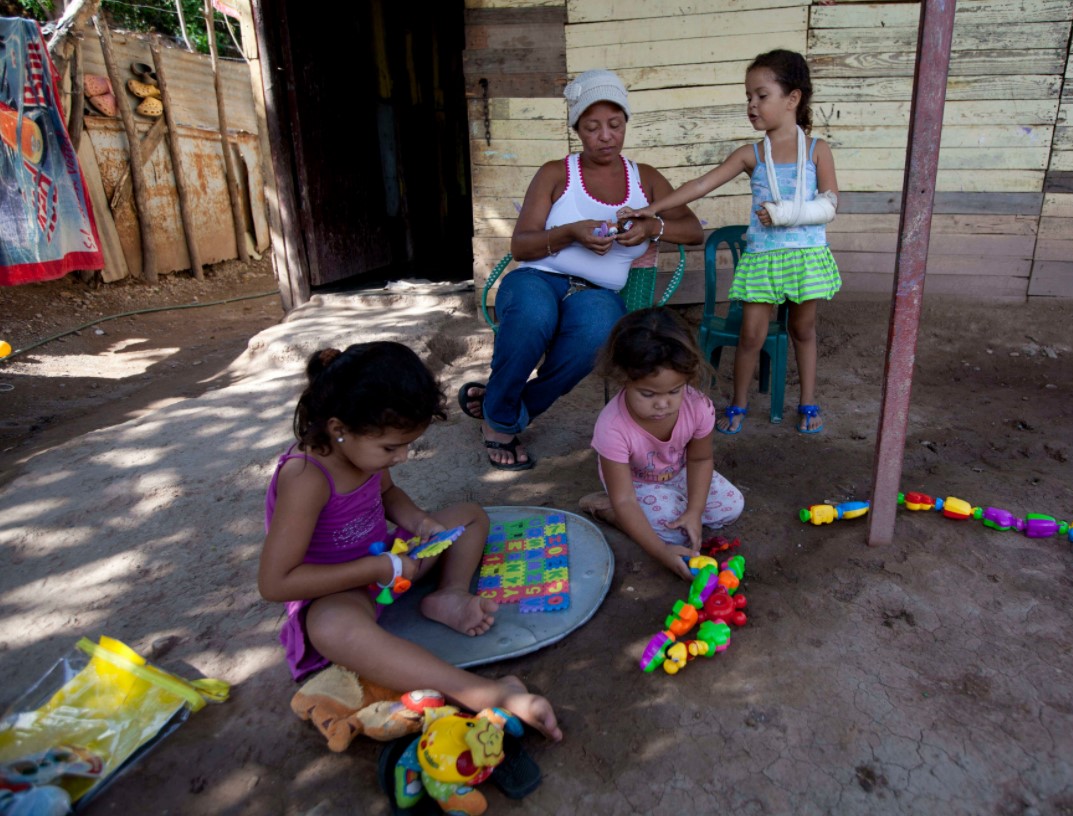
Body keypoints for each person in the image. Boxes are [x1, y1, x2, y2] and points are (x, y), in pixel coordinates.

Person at [258, 341, 562, 741]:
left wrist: (420, 523)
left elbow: (386, 495)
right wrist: (375, 569)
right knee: (333, 629)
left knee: (469, 516)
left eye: (406, 445)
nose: (401, 457)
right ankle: (482, 691)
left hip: (390, 562)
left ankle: (448, 595)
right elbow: (276, 583)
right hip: (338, 589)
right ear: (338, 429)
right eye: (390, 447)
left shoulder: (362, 453)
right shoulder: (306, 476)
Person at [459, 68, 703, 470]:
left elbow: (694, 231)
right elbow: (521, 244)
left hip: (597, 292)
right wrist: (571, 232)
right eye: (592, 127)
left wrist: (651, 226)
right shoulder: (557, 172)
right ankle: (500, 423)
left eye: (614, 124)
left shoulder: (646, 179)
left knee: (596, 336)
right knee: (533, 316)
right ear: (577, 129)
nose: (605, 135)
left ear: (626, 124)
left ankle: (504, 406)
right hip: (537, 278)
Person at [619, 49, 840, 436]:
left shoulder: (818, 149)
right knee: (751, 335)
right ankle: (738, 403)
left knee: (803, 331)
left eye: (761, 95)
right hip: (764, 259)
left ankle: (808, 401)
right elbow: (700, 185)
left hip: (805, 257)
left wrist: (788, 213)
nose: (751, 105)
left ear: (793, 99)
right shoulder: (751, 155)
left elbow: (830, 203)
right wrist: (650, 209)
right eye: (748, 98)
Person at [580, 308, 744, 580]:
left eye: (674, 391)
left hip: (678, 474)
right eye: (647, 393)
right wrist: (661, 552)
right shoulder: (612, 427)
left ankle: (676, 509)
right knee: (668, 530)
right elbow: (625, 497)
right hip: (633, 487)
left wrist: (694, 510)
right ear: (624, 379)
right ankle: (605, 509)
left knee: (732, 505)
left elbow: (700, 460)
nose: (662, 404)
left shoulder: (698, 407)